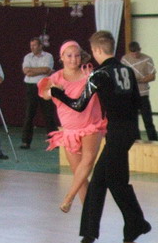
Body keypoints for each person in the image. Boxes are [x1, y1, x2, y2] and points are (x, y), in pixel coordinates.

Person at [44, 31, 151, 243]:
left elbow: (78, 105)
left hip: (116, 133)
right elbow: (138, 102)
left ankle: (102, 229)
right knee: (112, 181)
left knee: (105, 181)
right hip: (129, 130)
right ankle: (128, 225)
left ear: (97, 50)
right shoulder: (127, 70)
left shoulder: (99, 75)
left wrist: (57, 93)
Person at [39, 41, 107, 213]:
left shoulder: (89, 74)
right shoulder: (55, 78)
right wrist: (52, 91)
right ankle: (89, 217)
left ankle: (68, 197)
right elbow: (44, 94)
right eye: (69, 56)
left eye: (77, 55)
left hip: (91, 125)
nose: (73, 59)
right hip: (69, 130)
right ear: (61, 57)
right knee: (80, 177)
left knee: (87, 161)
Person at [20, 37, 57, 149]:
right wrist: (40, 70)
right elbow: (26, 71)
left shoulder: (48, 56)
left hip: (45, 86)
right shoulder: (27, 57)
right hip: (31, 87)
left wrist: (33, 71)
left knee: (49, 114)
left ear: (40, 46)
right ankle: (26, 141)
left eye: (34, 45)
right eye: (31, 45)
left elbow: (46, 70)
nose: (32, 47)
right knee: (29, 114)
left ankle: (54, 141)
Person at [121, 41, 158, 141]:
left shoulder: (147, 59)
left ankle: (154, 140)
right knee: (133, 121)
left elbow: (152, 76)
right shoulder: (124, 60)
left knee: (148, 120)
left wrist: (140, 80)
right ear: (129, 51)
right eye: (133, 53)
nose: (135, 55)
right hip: (131, 94)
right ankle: (136, 140)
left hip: (143, 94)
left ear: (140, 50)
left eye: (137, 52)